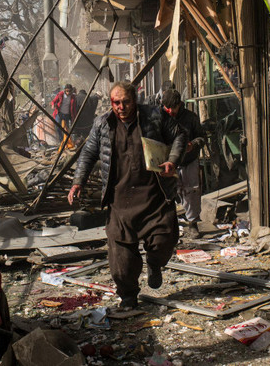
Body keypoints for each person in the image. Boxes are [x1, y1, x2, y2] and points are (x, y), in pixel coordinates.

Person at [68, 81, 187, 309]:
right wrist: (77, 183)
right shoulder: (103, 124)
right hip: (120, 201)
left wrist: (172, 161)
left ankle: (154, 263)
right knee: (121, 261)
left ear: (134, 100)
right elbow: (88, 153)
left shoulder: (154, 116)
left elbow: (179, 136)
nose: (121, 107)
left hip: (154, 197)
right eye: (116, 102)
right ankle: (129, 297)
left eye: (125, 102)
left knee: (164, 242)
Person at [161, 89, 207, 238]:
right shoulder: (161, 117)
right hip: (167, 162)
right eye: (166, 108)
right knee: (167, 193)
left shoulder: (190, 118)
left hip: (188, 161)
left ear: (179, 104)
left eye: (172, 109)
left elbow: (202, 137)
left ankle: (192, 223)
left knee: (191, 192)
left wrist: (192, 145)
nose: (169, 111)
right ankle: (168, 225)